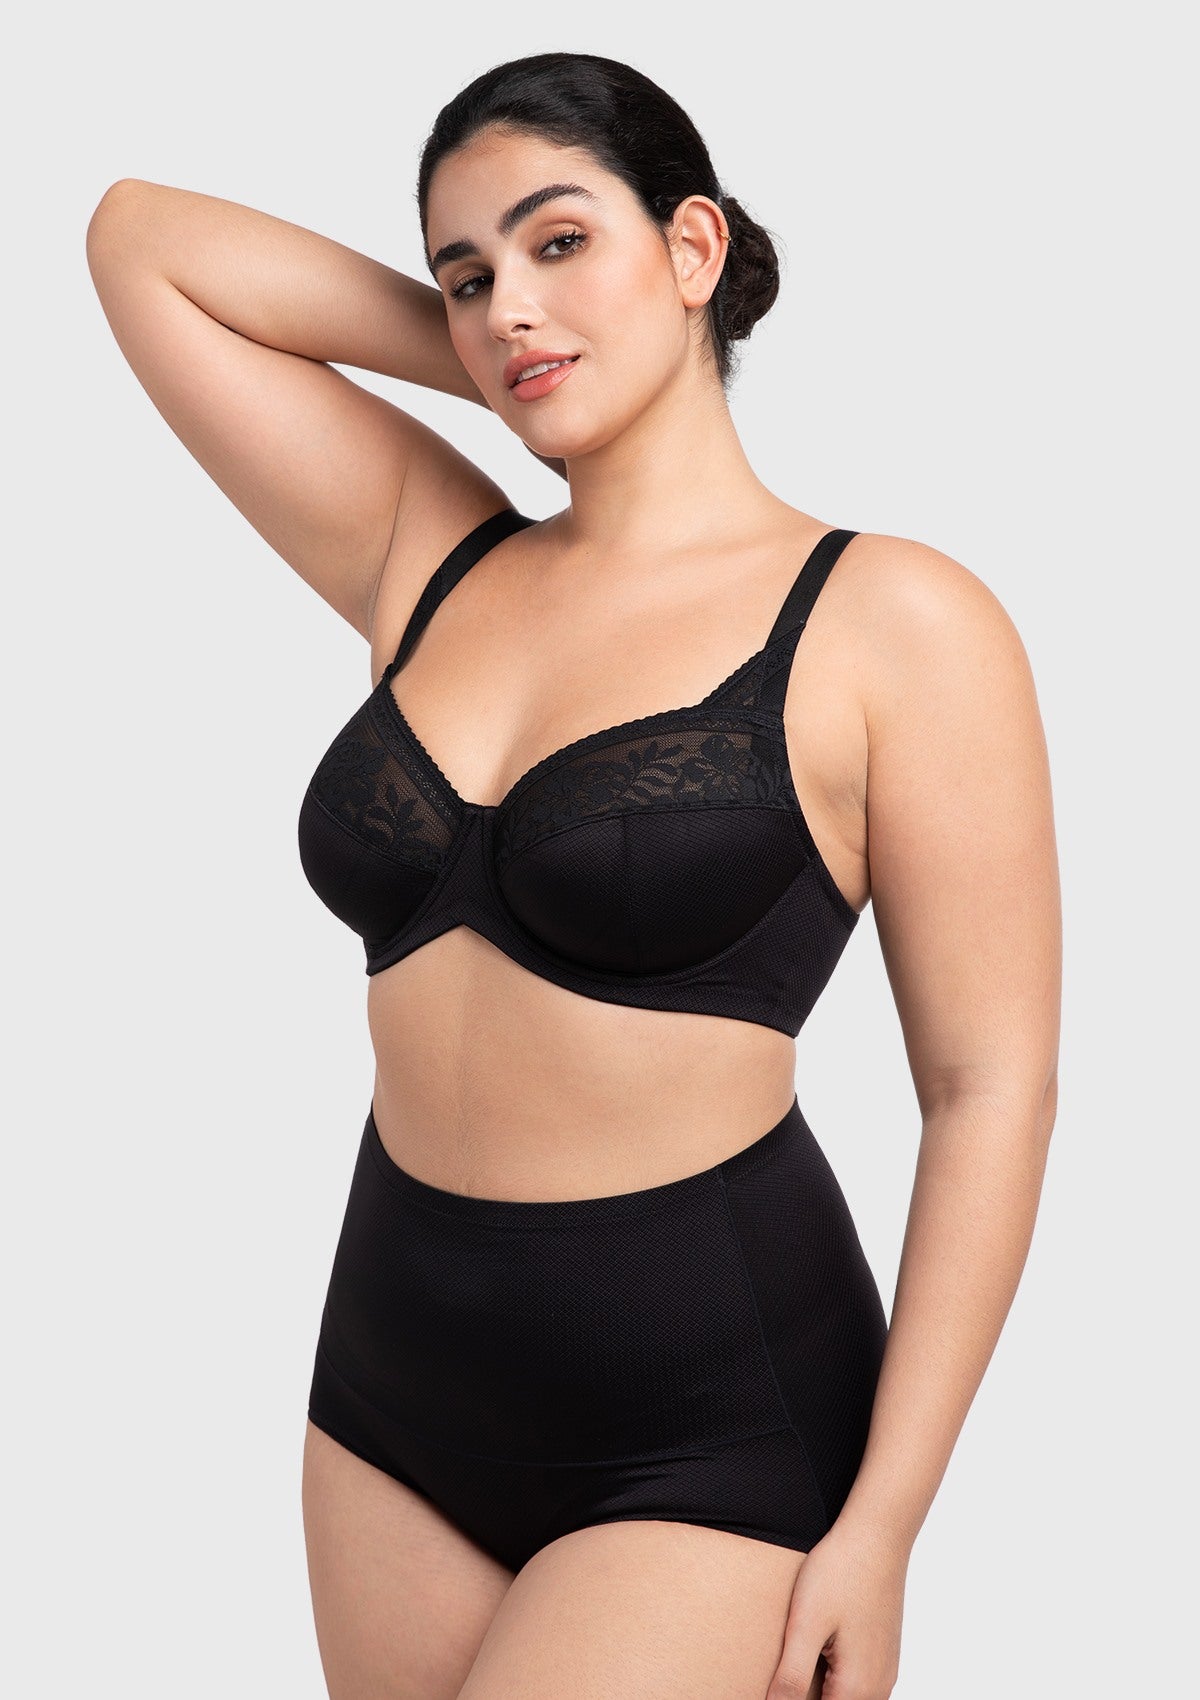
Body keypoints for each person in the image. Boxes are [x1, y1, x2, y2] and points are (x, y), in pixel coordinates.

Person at [86, 49, 1061, 1700]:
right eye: (467, 276)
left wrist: (887, 1525)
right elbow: (142, 240)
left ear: (694, 247)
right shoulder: (430, 550)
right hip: (389, 1393)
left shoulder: (893, 618)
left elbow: (989, 1088)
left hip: (708, 1425)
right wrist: (519, 363)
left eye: (559, 244)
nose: (507, 305)